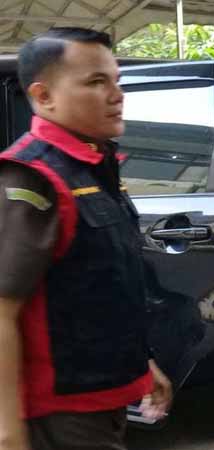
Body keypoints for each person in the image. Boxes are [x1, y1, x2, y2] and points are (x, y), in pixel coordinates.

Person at [0, 27, 172, 450]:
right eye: (96, 82)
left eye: (116, 81)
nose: (117, 95)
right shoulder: (32, 177)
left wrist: (142, 365)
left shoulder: (94, 166)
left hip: (101, 398)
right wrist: (7, 433)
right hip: (59, 413)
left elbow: (103, 288)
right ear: (44, 96)